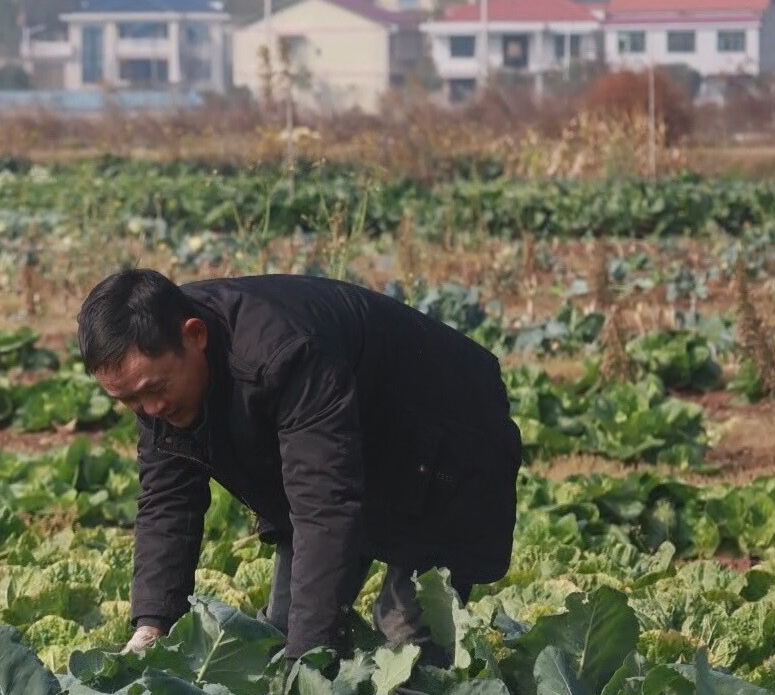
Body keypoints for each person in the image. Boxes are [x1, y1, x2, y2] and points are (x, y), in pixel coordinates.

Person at [78, 269, 521, 666]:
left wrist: (307, 662)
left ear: (195, 335)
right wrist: (152, 624)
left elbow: (324, 505)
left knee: (405, 636)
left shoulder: (285, 352)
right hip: (352, 447)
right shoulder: (157, 377)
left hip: (445, 444)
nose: (149, 409)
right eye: (130, 401)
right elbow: (167, 503)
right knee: (283, 629)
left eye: (153, 389)